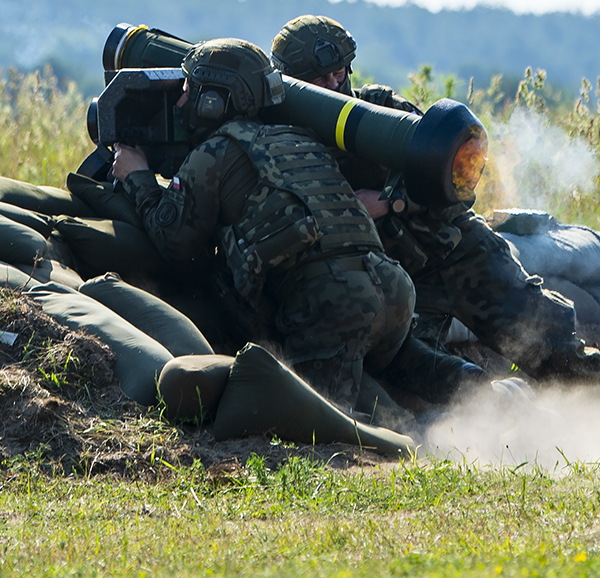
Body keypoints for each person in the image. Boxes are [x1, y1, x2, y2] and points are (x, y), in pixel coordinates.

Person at [269, 15, 600, 386]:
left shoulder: (383, 112)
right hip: (392, 284)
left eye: (337, 74)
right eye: (319, 80)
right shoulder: (286, 146)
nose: (332, 85)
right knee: (421, 380)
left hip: (456, 254)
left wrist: (388, 202)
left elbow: (456, 187)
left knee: (544, 334)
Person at [110, 38, 418, 414]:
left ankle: (422, 442)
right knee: (391, 371)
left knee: (321, 419)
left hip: (333, 301)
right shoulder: (300, 137)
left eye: (189, 89)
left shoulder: (214, 154)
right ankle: (473, 398)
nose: (180, 102)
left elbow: (173, 241)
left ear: (214, 100)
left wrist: (137, 177)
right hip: (394, 287)